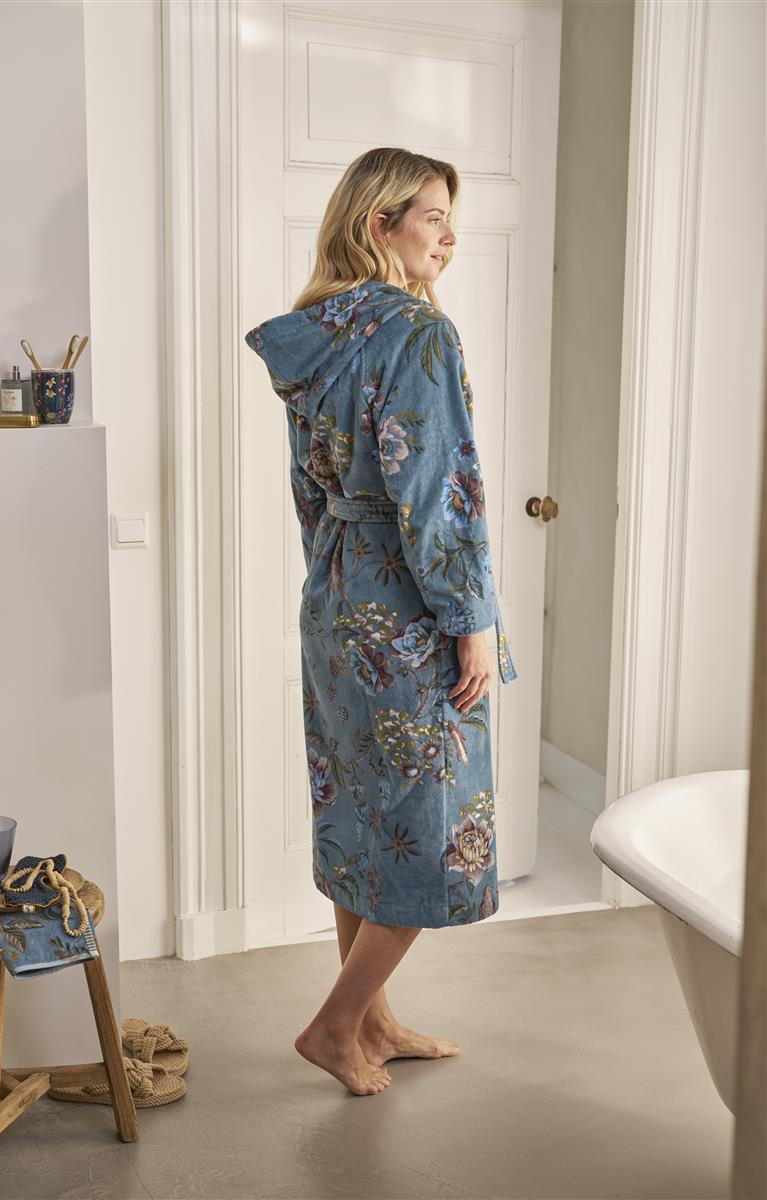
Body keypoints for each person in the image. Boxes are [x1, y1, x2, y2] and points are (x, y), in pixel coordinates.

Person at [244, 146, 518, 1097]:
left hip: (336, 595)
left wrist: (332, 581)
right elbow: (439, 491)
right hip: (409, 612)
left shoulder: (314, 332)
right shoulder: (416, 331)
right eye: (433, 217)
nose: (449, 236)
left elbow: (307, 490)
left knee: (361, 814)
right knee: (426, 826)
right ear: (379, 225)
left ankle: (375, 1019)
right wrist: (469, 619)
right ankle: (333, 1026)